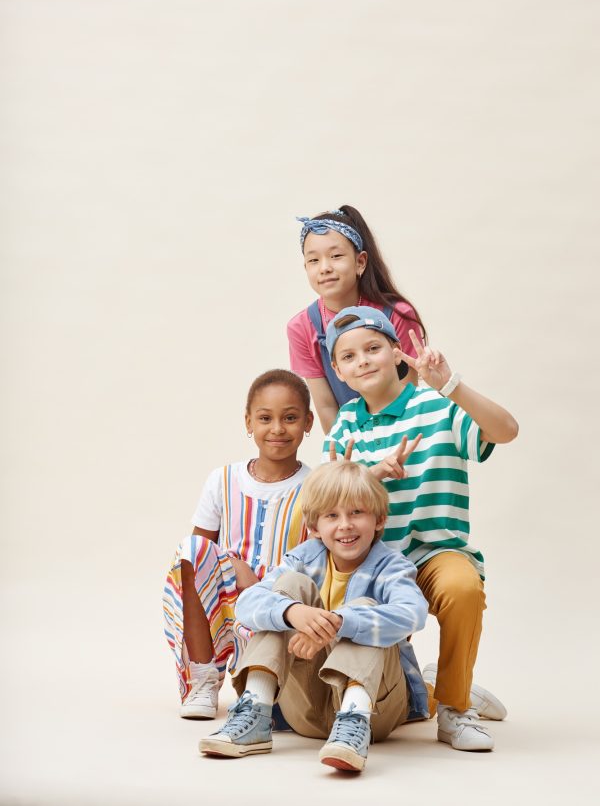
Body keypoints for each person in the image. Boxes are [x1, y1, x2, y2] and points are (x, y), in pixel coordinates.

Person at [322, 306, 519, 751]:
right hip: (372, 564)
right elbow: (328, 502)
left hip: (434, 552)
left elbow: (506, 431)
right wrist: (371, 476)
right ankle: (439, 687)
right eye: (349, 357)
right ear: (338, 371)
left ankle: (454, 708)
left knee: (462, 587)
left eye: (373, 348)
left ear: (397, 352)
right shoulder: (347, 423)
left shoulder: (439, 405)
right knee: (391, 699)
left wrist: (450, 384)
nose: (364, 361)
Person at [199, 460, 429, 773]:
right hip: (304, 707)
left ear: (379, 519)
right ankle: (255, 711)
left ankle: (353, 722)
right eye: (332, 516)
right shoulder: (303, 558)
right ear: (313, 527)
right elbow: (248, 604)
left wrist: (340, 623)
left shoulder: (391, 566)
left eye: (357, 512)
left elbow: (413, 613)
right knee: (284, 594)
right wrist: (292, 613)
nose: (345, 524)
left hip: (375, 711)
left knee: (364, 607)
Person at [162, 369, 314, 719]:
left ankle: (265, 680)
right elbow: (199, 555)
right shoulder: (223, 479)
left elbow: (318, 558)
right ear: (248, 422)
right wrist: (233, 566)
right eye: (265, 418)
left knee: (275, 713)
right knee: (190, 550)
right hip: (228, 604)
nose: (277, 428)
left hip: (282, 605)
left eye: (290, 418)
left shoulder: (316, 484)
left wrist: (266, 587)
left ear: (307, 422)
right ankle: (203, 676)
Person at [287, 206, 426, 433]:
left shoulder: (398, 315)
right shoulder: (301, 327)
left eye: (336, 256)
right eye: (313, 260)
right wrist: (349, 461)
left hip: (402, 436)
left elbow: (408, 396)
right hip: (350, 445)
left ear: (360, 262)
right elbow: (326, 407)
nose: (325, 268)